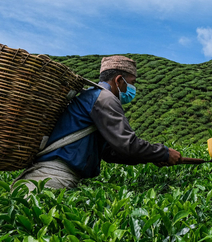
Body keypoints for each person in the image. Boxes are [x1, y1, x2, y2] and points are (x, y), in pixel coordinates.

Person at [14, 55, 181, 191]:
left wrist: (152, 157)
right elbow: (127, 144)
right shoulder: (105, 99)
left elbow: (110, 152)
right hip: (53, 180)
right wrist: (164, 152)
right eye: (132, 83)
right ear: (119, 80)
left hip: (40, 177)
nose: (133, 88)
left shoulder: (90, 97)